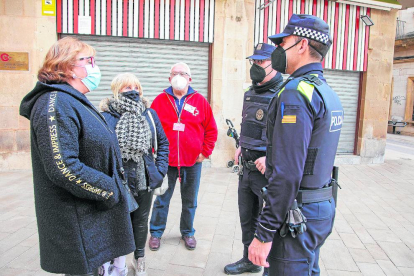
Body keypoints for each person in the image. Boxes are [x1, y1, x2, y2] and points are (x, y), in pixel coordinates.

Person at [19, 37, 135, 276]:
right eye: (88, 60)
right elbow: (63, 167)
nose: (94, 66)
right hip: (78, 221)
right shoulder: (55, 103)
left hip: (91, 216)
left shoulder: (72, 99)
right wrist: (109, 190)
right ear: (68, 66)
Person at [248, 14, 343, 276]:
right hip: (319, 208)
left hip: (296, 215)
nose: (278, 49)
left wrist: (264, 233)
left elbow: (288, 172)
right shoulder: (325, 90)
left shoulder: (296, 93)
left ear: (301, 45)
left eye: (283, 42)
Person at [100, 73, 169, 276]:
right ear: (116, 90)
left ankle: (139, 259)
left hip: (144, 178)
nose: (133, 91)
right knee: (116, 222)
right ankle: (115, 263)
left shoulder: (149, 114)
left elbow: (163, 143)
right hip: (117, 180)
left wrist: (160, 170)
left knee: (140, 220)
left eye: (136, 87)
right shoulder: (106, 115)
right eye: (126, 87)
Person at [224, 43, 283, 276]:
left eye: (261, 62)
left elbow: (288, 137)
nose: (256, 66)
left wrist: (270, 157)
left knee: (267, 220)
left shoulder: (282, 93)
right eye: (254, 62)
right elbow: (248, 123)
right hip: (246, 169)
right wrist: (241, 145)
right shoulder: (251, 91)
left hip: (265, 170)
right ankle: (250, 260)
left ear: (274, 64)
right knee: (247, 217)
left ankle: (272, 261)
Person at [148, 62, 218, 251]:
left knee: (190, 201)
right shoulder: (160, 100)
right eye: (175, 73)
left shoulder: (200, 101)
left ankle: (187, 232)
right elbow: (151, 129)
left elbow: (211, 129)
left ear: (190, 78)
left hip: (192, 161)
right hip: (166, 162)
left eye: (183, 73)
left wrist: (205, 152)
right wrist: (155, 153)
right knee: (162, 199)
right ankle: (155, 233)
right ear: (169, 78)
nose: (179, 76)